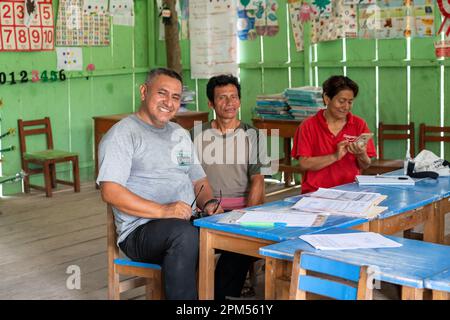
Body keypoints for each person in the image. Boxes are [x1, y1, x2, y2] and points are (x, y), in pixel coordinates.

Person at [97, 68, 222, 300]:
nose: (169, 102)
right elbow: (110, 191)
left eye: (175, 97)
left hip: (185, 219)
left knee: (239, 233)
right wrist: (165, 210)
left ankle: (221, 297)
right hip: (141, 230)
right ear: (144, 92)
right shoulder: (123, 134)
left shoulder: (179, 134)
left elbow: (199, 180)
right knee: (184, 236)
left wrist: (210, 203)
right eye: (162, 93)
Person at [190, 74, 269, 300]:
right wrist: (206, 207)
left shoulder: (253, 135)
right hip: (205, 210)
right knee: (191, 243)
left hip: (241, 211)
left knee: (239, 241)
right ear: (211, 104)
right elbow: (186, 177)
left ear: (240, 101)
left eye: (234, 97)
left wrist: (247, 216)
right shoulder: (195, 135)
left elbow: (258, 181)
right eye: (222, 98)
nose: (229, 103)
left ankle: (220, 297)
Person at [291, 75, 376, 194]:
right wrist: (335, 156)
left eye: (350, 102)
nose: (346, 107)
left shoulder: (359, 124)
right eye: (341, 101)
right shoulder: (308, 126)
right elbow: (304, 163)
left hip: (350, 191)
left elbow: (366, 164)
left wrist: (361, 154)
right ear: (327, 98)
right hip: (315, 193)